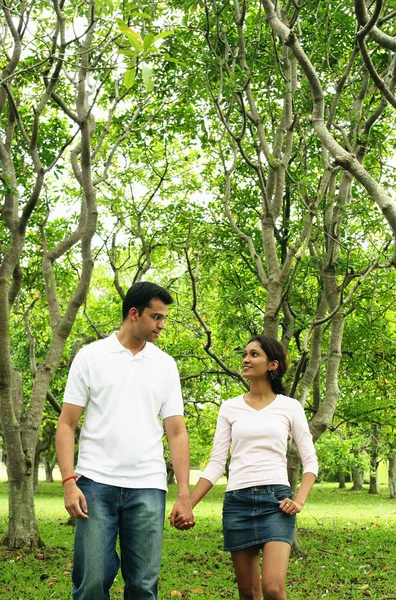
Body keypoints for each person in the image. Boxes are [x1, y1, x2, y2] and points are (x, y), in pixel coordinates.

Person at [56, 281, 195, 600]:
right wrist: (68, 481)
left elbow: (176, 431)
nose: (162, 325)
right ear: (134, 314)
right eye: (156, 317)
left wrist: (184, 493)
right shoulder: (91, 357)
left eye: (164, 318)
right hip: (94, 483)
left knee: (143, 587)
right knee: (90, 582)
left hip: (148, 485)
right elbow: (66, 423)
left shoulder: (165, 366)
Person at [175, 334, 318, 600]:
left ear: (272, 365)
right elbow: (217, 463)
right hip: (237, 503)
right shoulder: (230, 407)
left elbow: (310, 461)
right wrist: (188, 504)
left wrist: (298, 500)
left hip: (276, 502)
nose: (245, 359)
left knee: (273, 588)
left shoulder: (290, 407)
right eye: (245, 354)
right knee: (248, 592)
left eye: (254, 354)